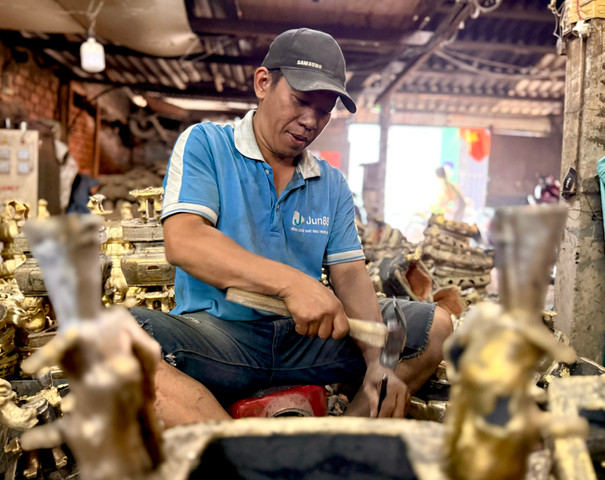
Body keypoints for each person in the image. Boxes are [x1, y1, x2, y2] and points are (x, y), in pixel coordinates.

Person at [131, 28, 452, 426]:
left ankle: (338, 445)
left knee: (435, 326)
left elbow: (350, 275)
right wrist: (291, 283)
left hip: (305, 342)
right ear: (263, 83)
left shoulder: (330, 183)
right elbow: (185, 240)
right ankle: (235, 452)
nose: (310, 121)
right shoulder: (206, 144)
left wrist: (378, 360)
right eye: (300, 101)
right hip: (218, 340)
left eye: (324, 111)